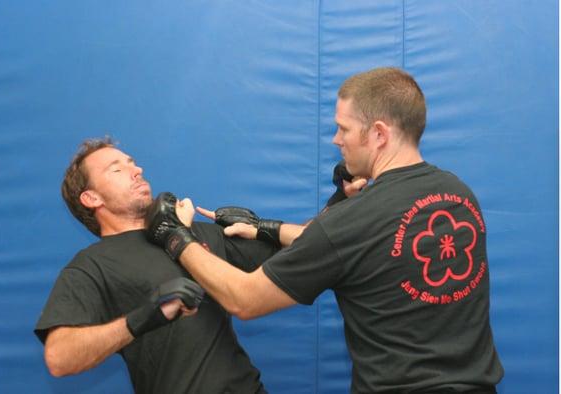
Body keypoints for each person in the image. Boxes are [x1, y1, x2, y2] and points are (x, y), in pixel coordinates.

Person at [145, 67, 505, 393]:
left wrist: (177, 237)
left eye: (344, 128)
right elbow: (365, 249)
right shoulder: (458, 194)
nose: (336, 139)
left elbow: (245, 298)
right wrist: (264, 229)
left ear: (379, 134)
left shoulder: (353, 221)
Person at [34, 138, 277, 394]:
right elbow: (59, 358)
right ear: (92, 197)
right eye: (117, 169)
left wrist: (269, 229)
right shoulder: (92, 266)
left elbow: (310, 253)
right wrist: (142, 318)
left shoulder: (191, 231)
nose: (137, 171)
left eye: (133, 164)